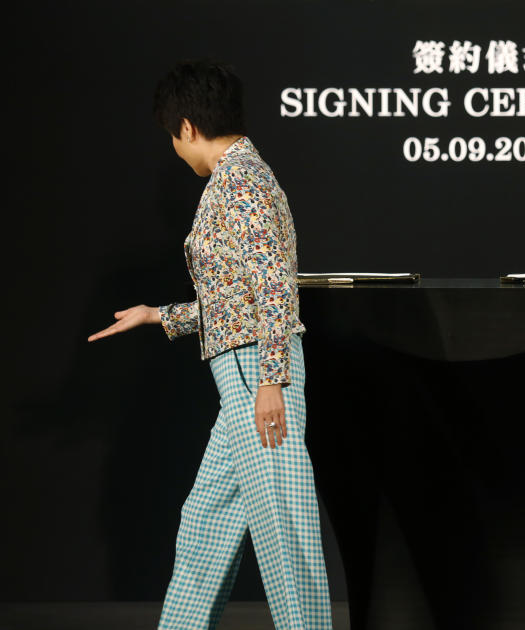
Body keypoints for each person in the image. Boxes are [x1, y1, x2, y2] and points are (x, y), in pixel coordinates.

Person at [88, 60, 332, 630]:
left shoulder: (239, 181)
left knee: (285, 536)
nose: (175, 150)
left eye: (173, 137)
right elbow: (237, 298)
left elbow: (273, 286)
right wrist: (159, 315)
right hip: (243, 375)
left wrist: (271, 380)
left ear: (189, 127)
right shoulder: (238, 176)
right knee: (205, 521)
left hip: (256, 374)